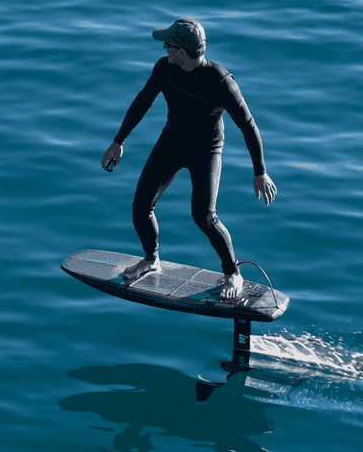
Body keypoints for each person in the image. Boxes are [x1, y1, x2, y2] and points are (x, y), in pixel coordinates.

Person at [100, 18, 278, 300]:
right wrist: (118, 141)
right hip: (172, 142)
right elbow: (143, 100)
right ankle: (151, 259)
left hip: (206, 151)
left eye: (169, 45)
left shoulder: (221, 81)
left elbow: (248, 125)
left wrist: (260, 172)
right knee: (141, 205)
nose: (165, 49)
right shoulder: (164, 67)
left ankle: (233, 273)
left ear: (181, 52)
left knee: (204, 216)